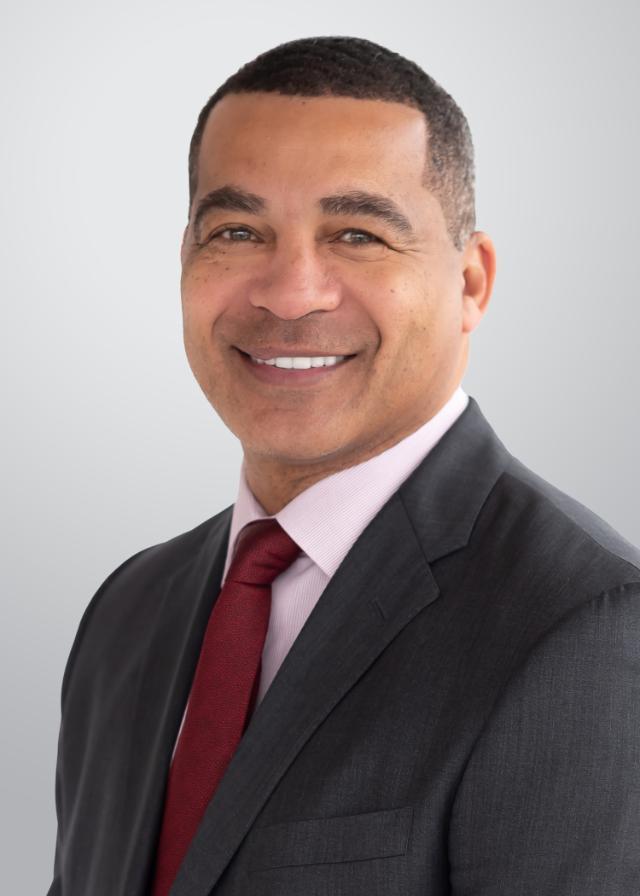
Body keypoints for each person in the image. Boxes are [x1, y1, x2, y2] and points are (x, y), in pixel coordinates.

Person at [47, 35, 640, 896]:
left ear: (470, 283)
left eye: (357, 233)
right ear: (186, 261)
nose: (291, 293)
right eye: (238, 230)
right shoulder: (128, 612)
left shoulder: (582, 629)